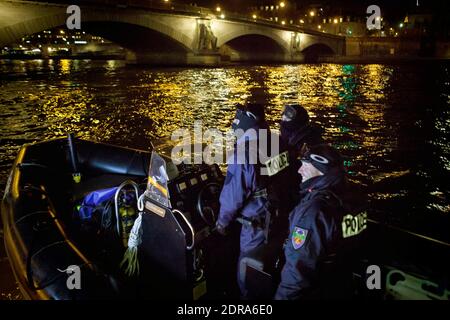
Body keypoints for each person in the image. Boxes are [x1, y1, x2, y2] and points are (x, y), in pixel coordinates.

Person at [216, 103, 290, 298]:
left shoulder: (243, 154)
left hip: (256, 225)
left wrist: (222, 223)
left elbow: (233, 197)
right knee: (270, 266)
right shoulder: (277, 142)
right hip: (280, 216)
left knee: (248, 270)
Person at [275, 144, 367, 300]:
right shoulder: (352, 196)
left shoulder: (315, 212)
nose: (299, 170)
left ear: (320, 169)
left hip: (315, 289)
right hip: (340, 281)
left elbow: (298, 271)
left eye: (305, 165)